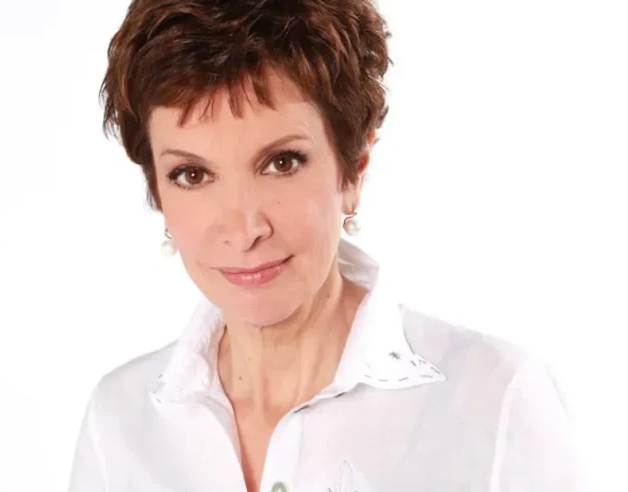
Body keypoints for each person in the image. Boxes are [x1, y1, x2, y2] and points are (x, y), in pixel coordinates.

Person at [68, 0, 582, 490]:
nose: (244, 229)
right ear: (157, 191)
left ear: (353, 168)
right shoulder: (120, 423)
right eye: (192, 174)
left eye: (281, 163)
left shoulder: (494, 401)